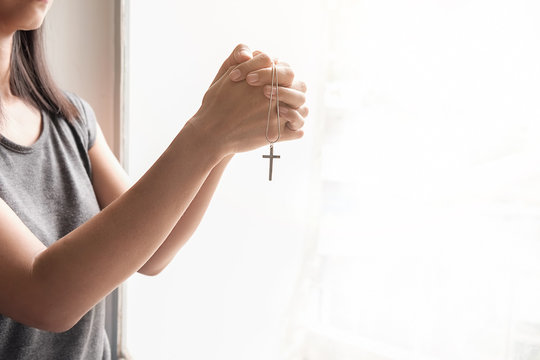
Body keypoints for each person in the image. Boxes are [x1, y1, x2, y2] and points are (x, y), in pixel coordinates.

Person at [0, 1, 308, 359]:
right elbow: (46, 297)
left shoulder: (68, 118)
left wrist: (226, 138)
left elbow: (153, 252)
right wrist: (209, 132)